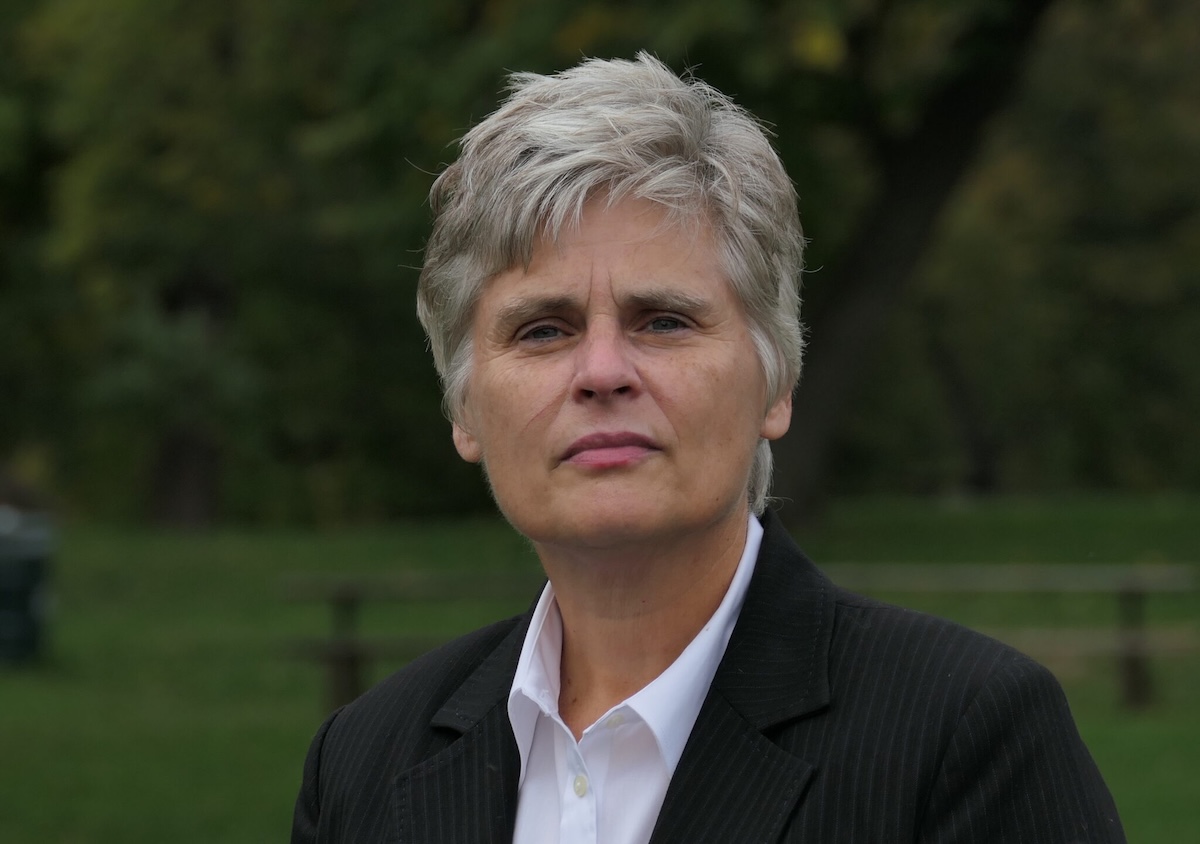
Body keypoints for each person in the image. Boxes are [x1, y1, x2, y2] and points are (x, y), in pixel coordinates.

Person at [291, 53, 1124, 843]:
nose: (603, 371)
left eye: (664, 321)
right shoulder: (365, 765)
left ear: (776, 383)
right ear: (465, 408)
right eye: (543, 330)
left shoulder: (964, 738)